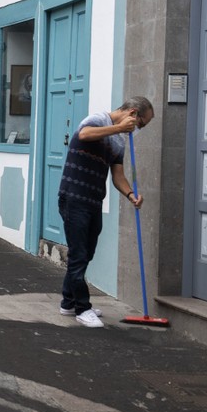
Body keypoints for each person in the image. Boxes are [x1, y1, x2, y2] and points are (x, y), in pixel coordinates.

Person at [57, 96, 154, 328]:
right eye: (142, 124)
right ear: (132, 113)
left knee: (86, 254)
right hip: (74, 199)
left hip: (94, 201)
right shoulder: (98, 120)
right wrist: (118, 127)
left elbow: (117, 175)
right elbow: (84, 135)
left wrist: (131, 195)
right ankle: (83, 308)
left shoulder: (119, 141)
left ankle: (68, 302)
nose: (139, 129)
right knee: (79, 255)